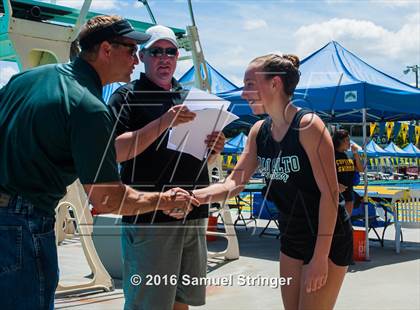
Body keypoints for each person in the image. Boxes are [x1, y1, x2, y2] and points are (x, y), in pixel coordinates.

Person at [0, 16, 197, 310]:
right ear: (106, 50)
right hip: (22, 222)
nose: (136, 59)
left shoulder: (26, 79)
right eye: (132, 50)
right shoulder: (89, 107)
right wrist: (164, 200)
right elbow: (106, 199)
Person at [192, 54, 353, 310]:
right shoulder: (259, 132)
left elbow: (330, 194)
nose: (244, 94)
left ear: (275, 84)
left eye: (249, 85)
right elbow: (234, 182)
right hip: (291, 233)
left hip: (326, 237)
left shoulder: (309, 126)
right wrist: (196, 196)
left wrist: (320, 257)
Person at [108, 25, 225, 310]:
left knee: (182, 301)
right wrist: (163, 122)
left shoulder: (193, 98)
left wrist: (213, 148)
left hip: (193, 213)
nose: (164, 57)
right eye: (156, 51)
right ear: (142, 56)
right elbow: (115, 151)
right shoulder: (127, 96)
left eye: (170, 51)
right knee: (148, 304)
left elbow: (192, 158)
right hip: (151, 219)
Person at [333, 129, 364, 216]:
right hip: (336, 194)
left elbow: (360, 169)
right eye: (347, 140)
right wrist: (336, 185)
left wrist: (356, 154)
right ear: (340, 141)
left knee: (346, 221)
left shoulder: (347, 156)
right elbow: (324, 173)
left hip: (348, 194)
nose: (350, 143)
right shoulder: (331, 155)